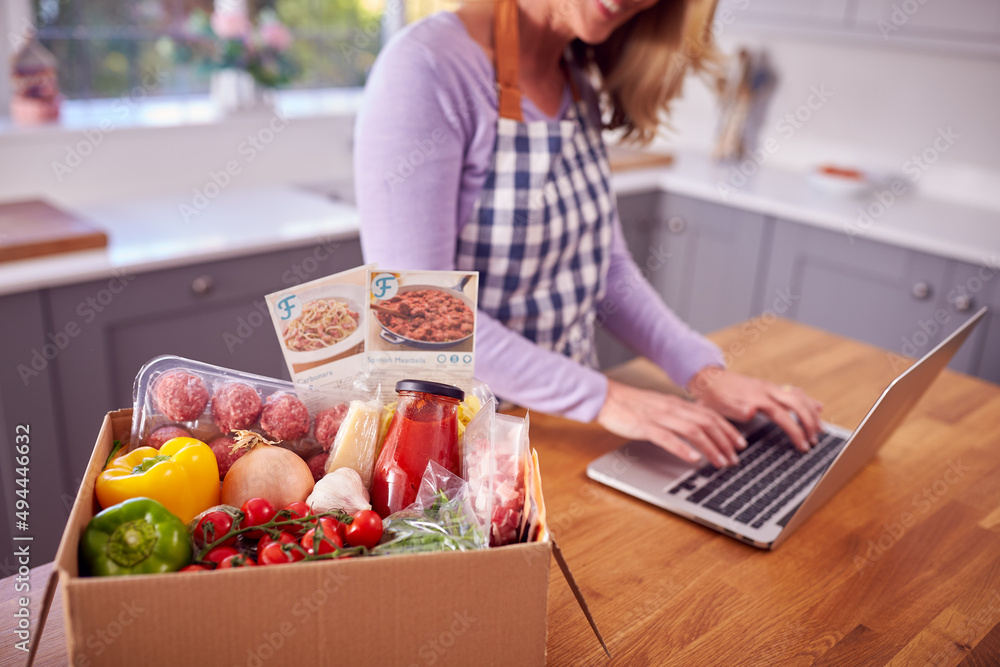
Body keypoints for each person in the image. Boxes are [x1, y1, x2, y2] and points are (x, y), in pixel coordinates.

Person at [355, 0, 823, 469]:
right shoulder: (426, 68)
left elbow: (605, 270)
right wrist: (607, 399)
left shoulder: (578, 77)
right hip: (456, 450)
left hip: (564, 429)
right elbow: (414, 322)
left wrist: (701, 372)